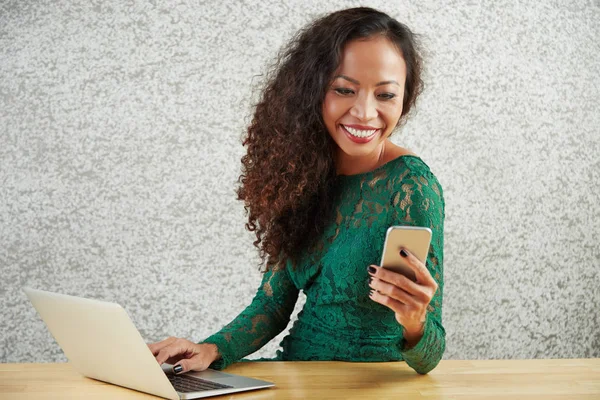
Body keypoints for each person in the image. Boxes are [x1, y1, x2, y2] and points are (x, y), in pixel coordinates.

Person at [149, 7, 445, 375]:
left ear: (404, 99)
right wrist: (209, 349)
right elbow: (272, 307)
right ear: (312, 90)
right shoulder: (300, 173)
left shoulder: (410, 186)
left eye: (385, 95)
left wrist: (415, 321)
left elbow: (430, 356)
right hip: (297, 374)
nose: (366, 113)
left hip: (372, 384)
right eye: (344, 89)